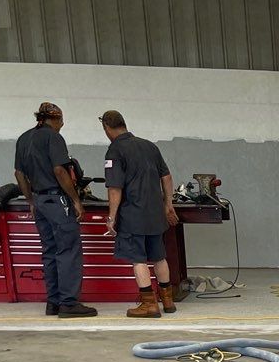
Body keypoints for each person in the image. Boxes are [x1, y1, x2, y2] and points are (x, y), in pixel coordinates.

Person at [13, 102, 96, 318]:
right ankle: (69, 304)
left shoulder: (24, 138)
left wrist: (31, 201)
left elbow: (19, 174)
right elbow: (60, 170)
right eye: (62, 121)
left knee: (50, 252)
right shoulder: (53, 137)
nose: (62, 125)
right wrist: (76, 200)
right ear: (56, 119)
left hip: (40, 202)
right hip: (57, 201)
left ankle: (53, 303)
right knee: (68, 251)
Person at [99, 110, 179, 318]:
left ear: (107, 128)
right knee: (159, 257)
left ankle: (149, 305)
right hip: (155, 213)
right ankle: (168, 301)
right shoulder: (149, 145)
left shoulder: (115, 150)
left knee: (139, 259)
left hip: (133, 214)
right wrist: (168, 204)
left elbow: (115, 188)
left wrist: (112, 217)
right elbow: (167, 177)